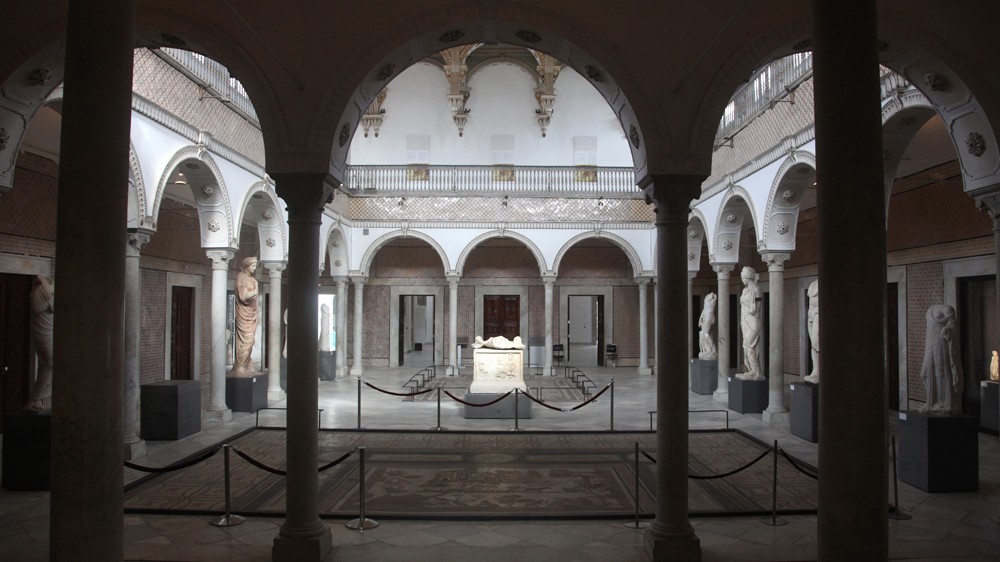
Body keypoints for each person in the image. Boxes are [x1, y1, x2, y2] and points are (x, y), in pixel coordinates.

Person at [231, 257, 259, 377]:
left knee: (251, 340)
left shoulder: (251, 279)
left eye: (255, 266)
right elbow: (243, 297)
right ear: (247, 266)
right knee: (246, 340)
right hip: (244, 314)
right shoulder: (241, 278)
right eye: (253, 266)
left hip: (251, 314)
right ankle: (239, 367)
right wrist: (255, 290)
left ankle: (247, 365)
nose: (254, 268)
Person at [736, 267, 763, 381]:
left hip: (753, 321)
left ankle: (757, 372)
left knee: (748, 344)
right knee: (746, 345)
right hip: (745, 320)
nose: (742, 280)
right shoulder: (745, 290)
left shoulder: (756, 289)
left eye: (744, 277)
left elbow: (757, 307)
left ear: (749, 277)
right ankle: (753, 370)